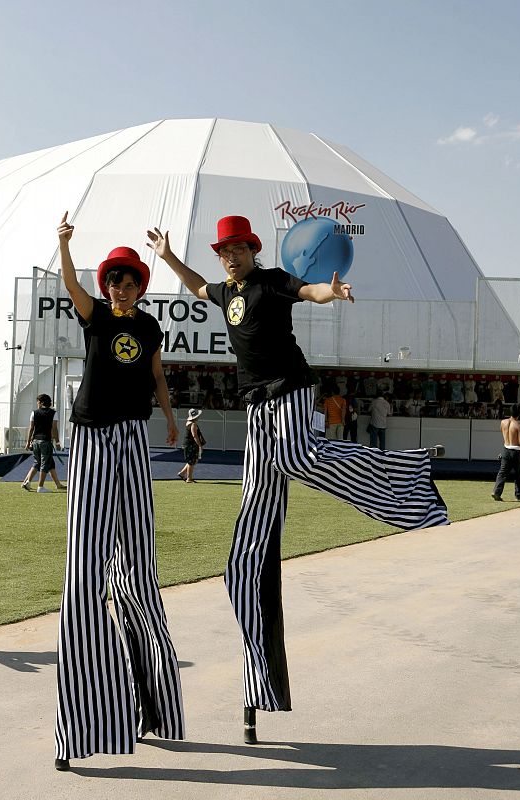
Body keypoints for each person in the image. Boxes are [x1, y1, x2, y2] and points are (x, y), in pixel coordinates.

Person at [146, 214, 447, 744]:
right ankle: (259, 681)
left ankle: (408, 472)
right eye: (225, 250)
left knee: (301, 457)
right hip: (255, 408)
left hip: (288, 389)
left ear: (252, 250)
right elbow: (197, 287)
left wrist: (331, 292)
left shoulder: (271, 281)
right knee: (247, 557)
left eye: (238, 248)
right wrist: (169, 258)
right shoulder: (225, 290)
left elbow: (308, 290)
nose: (231, 255)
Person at [53, 213, 184, 772]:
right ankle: (80, 722)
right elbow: (71, 287)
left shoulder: (151, 326)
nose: (122, 287)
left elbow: (156, 375)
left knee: (137, 567)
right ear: (107, 285)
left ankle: (151, 703)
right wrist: (64, 246)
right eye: (116, 280)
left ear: (140, 285)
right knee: (84, 570)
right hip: (89, 437)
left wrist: (171, 419)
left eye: (131, 280)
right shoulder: (97, 316)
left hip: (132, 437)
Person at [22, 394, 66, 492]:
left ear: (42, 402)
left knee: (37, 462)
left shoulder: (34, 413)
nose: (37, 404)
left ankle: (27, 482)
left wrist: (28, 442)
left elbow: (31, 428)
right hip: (46, 442)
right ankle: (40, 487)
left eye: (38, 402)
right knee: (44, 464)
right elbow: (54, 429)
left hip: (35, 442)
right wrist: (57, 442)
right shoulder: (54, 413)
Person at [492, 403, 520, 501]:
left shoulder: (503, 422)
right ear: (519, 414)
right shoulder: (519, 425)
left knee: (502, 473)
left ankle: (496, 492)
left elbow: (503, 435)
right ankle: (519, 495)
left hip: (506, 449)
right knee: (519, 474)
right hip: (516, 452)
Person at [178, 408, 206, 483]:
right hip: (191, 445)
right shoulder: (193, 424)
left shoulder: (188, 422)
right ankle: (189, 478)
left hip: (188, 444)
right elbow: (195, 435)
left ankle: (182, 473)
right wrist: (199, 445)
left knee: (192, 461)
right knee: (191, 462)